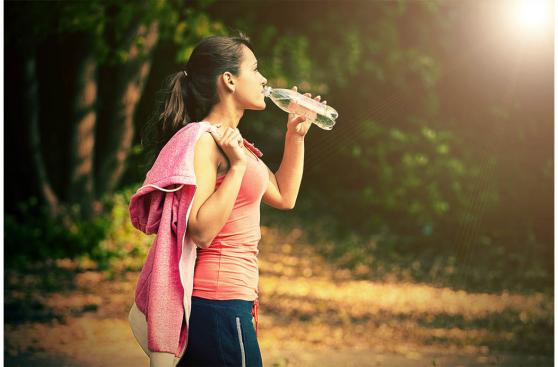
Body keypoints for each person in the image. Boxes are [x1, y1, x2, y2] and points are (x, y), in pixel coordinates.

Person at [140, 32, 325, 367]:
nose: (264, 79)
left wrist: (294, 137)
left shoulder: (236, 145)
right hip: (218, 302)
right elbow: (201, 230)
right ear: (228, 80)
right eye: (254, 69)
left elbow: (284, 196)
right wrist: (237, 167)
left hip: (234, 302)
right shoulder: (205, 141)